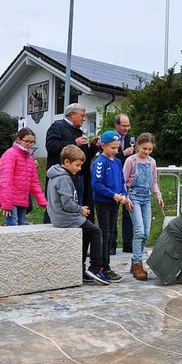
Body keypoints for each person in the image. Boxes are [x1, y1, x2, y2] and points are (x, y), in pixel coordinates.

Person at [46, 144, 110, 285]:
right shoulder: (63, 178)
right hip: (65, 218)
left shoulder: (55, 175)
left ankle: (80, 270)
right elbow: (67, 204)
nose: (79, 168)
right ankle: (95, 267)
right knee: (96, 232)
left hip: (59, 216)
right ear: (67, 162)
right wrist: (80, 210)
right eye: (78, 165)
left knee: (86, 233)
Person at [43, 103, 99, 224]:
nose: (84, 119)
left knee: (81, 207)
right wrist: (74, 142)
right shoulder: (57, 127)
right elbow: (51, 147)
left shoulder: (79, 131)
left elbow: (84, 158)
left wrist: (94, 147)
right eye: (82, 115)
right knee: (68, 208)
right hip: (64, 178)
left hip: (81, 177)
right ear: (72, 114)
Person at [91, 130, 131, 283]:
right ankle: (102, 266)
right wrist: (112, 195)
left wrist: (123, 195)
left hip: (116, 201)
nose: (115, 151)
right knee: (105, 234)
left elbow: (121, 181)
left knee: (111, 233)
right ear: (103, 146)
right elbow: (96, 184)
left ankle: (105, 265)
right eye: (112, 148)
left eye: (117, 148)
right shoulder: (100, 162)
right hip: (103, 202)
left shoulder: (117, 161)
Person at [123, 133, 163, 281]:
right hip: (134, 197)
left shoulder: (152, 162)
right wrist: (126, 197)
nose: (146, 152)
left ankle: (135, 261)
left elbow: (154, 182)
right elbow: (124, 181)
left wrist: (158, 196)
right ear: (138, 146)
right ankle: (138, 263)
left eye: (150, 149)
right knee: (139, 231)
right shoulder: (130, 161)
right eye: (144, 148)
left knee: (146, 232)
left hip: (147, 198)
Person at [0, 128, 47, 226]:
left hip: (22, 199)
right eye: (27, 141)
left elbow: (34, 183)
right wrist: (6, 204)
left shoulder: (29, 157)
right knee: (12, 227)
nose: (30, 144)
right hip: (11, 199)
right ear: (18, 140)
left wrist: (43, 201)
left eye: (32, 142)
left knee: (21, 227)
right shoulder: (10, 154)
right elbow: (6, 180)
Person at [112, 113, 134, 254]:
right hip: (113, 178)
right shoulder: (109, 138)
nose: (126, 129)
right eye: (123, 126)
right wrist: (123, 154)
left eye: (128, 126)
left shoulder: (132, 139)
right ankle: (111, 245)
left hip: (128, 181)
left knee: (129, 212)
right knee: (112, 213)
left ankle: (128, 244)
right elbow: (109, 156)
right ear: (116, 125)